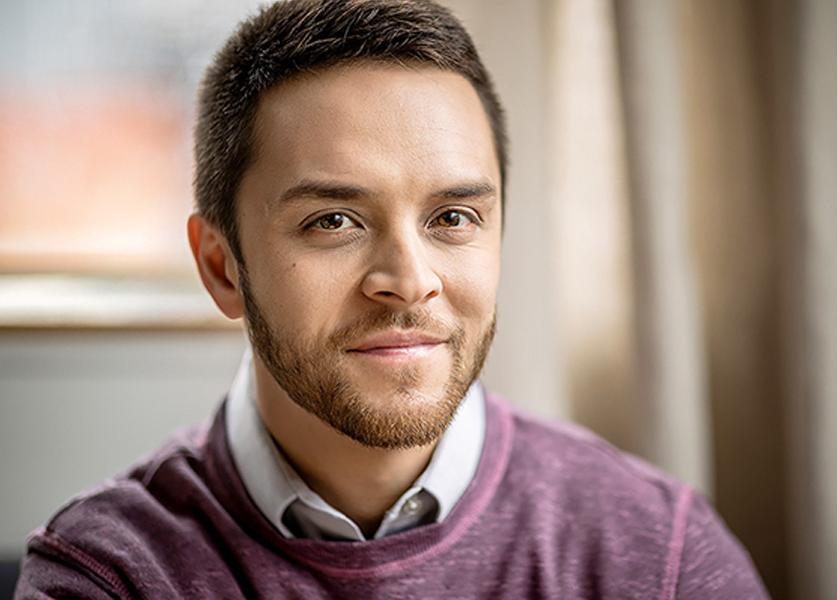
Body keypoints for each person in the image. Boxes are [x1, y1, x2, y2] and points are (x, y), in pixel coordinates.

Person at [16, 0, 768, 597]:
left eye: (452, 218)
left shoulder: (656, 555)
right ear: (222, 268)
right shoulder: (106, 576)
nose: (409, 281)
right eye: (333, 221)